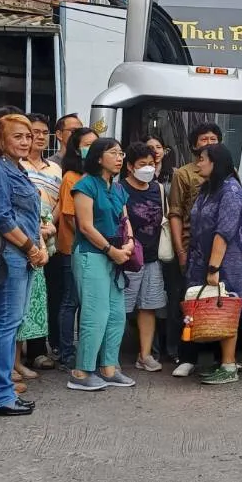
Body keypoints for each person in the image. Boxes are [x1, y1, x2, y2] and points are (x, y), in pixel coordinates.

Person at [0, 114, 46, 416]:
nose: (26, 141)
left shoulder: (20, 170)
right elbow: (0, 217)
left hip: (25, 254)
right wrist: (31, 248)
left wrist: (39, 246)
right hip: (9, 255)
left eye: (28, 136)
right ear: (1, 139)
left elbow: (31, 217)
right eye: (18, 136)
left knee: (12, 323)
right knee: (6, 323)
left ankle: (1, 391)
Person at [69, 138, 136, 392]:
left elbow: (125, 219)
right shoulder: (85, 185)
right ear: (98, 158)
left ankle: (109, 367)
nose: (119, 157)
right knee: (95, 314)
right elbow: (85, 226)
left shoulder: (118, 189)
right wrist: (111, 250)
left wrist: (128, 243)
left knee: (117, 314)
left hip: (116, 253)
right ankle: (81, 371)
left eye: (121, 153)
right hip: (91, 254)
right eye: (113, 153)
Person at [185, 143, 242, 385]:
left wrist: (213, 268)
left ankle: (229, 365)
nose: (199, 163)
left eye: (202, 159)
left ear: (216, 162)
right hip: (204, 259)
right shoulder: (209, 189)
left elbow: (223, 232)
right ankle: (223, 361)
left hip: (228, 263)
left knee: (226, 308)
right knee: (213, 310)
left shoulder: (231, 191)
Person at [169, 122, 224, 377]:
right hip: (192, 247)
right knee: (190, 302)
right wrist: (180, 250)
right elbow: (176, 213)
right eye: (204, 139)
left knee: (217, 302)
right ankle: (187, 355)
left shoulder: (225, 175)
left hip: (218, 247)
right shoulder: (184, 173)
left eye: (214, 138)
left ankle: (217, 358)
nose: (209, 142)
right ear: (194, 145)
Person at [53, 127, 99, 370]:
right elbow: (70, 216)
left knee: (86, 302)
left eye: (96, 143)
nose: (92, 147)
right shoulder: (72, 176)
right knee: (71, 301)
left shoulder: (97, 176)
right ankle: (66, 351)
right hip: (73, 247)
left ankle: (83, 349)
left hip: (92, 248)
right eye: (87, 143)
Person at [19, 114, 61, 373]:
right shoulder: (16, 165)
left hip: (49, 238)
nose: (40, 136)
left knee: (42, 297)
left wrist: (49, 226)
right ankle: (15, 355)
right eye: (35, 131)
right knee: (20, 297)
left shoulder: (55, 169)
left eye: (45, 132)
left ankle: (37, 351)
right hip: (22, 238)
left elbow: (58, 204)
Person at [122, 142, 168, 373]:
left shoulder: (157, 188)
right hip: (128, 258)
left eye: (151, 164)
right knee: (121, 308)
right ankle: (109, 356)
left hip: (152, 257)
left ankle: (145, 355)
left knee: (149, 307)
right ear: (130, 166)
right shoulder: (120, 189)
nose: (148, 169)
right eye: (142, 165)